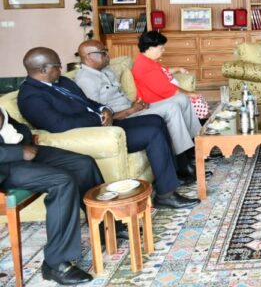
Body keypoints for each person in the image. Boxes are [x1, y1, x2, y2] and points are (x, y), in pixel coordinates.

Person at [17, 47, 200, 210]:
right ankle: (166, 195)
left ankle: (171, 176)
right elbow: (60, 125)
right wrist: (98, 118)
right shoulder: (31, 97)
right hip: (93, 134)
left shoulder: (63, 82)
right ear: (43, 70)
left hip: (105, 123)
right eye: (57, 66)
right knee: (152, 132)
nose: (60, 69)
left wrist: (105, 109)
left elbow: (89, 102)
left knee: (156, 120)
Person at [0, 107, 101, 285]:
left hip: (20, 151)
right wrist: (18, 152)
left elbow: (16, 127)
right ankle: (55, 264)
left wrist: (24, 144)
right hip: (5, 167)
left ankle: (104, 227)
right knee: (62, 181)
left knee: (84, 164)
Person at [75, 39, 202, 179]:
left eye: (107, 51)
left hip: (132, 108)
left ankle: (194, 147)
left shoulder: (106, 70)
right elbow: (99, 116)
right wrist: (131, 110)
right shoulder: (85, 80)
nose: (107, 55)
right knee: (172, 108)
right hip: (124, 117)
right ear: (88, 57)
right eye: (103, 53)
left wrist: (135, 103)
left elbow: (120, 96)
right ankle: (182, 164)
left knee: (182, 99)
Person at [131, 31, 209, 120]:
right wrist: (189, 93)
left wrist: (178, 69)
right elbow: (167, 90)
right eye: (161, 48)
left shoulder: (146, 61)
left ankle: (200, 124)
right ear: (151, 48)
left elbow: (163, 71)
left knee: (190, 98)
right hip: (155, 102)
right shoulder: (145, 67)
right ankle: (203, 122)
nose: (163, 50)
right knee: (190, 99)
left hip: (160, 98)